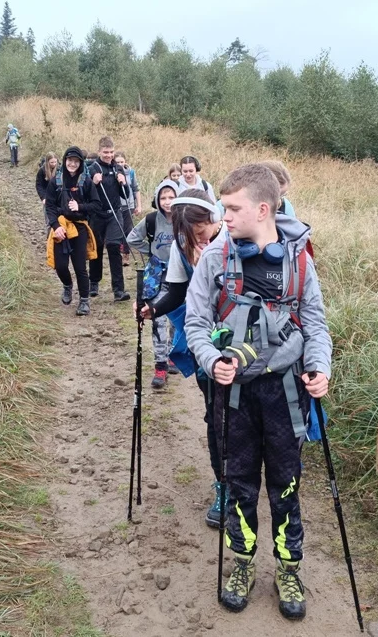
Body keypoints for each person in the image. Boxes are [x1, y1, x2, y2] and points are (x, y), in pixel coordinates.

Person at [184, 163, 331, 620]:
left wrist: (319, 368)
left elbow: (316, 325)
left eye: (231, 208)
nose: (222, 216)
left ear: (263, 208)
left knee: (286, 484)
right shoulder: (214, 258)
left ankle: (289, 568)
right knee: (239, 482)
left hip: (286, 396)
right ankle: (242, 563)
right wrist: (212, 362)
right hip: (234, 397)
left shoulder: (300, 260)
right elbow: (196, 324)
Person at [137, 189, 225, 526]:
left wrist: (209, 269)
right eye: (189, 235)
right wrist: (152, 308)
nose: (198, 239)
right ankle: (225, 486)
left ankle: (248, 475)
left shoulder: (233, 239)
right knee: (215, 417)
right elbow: (175, 290)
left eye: (201, 230)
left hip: (245, 343)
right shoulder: (180, 246)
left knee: (245, 417)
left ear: (212, 219)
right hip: (204, 342)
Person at [127, 180, 178, 389]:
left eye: (171, 197)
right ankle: (160, 365)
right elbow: (132, 239)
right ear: (157, 200)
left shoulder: (185, 219)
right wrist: (152, 251)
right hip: (157, 276)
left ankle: (175, 353)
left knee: (178, 320)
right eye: (163, 198)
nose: (167, 202)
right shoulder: (150, 220)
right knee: (158, 319)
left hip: (180, 276)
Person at [45, 146, 96, 316]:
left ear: (80, 163)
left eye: (76, 161)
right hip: (60, 227)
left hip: (80, 227)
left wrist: (79, 206)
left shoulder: (86, 182)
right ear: (65, 160)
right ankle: (67, 285)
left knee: (80, 267)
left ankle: (84, 301)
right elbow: (50, 206)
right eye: (70, 160)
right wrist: (55, 227)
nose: (72, 164)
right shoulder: (56, 181)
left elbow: (96, 205)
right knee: (60, 265)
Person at [88, 136, 130, 302]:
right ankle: (94, 282)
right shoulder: (93, 168)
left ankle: (119, 290)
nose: (109, 155)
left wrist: (123, 183)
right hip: (97, 214)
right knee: (97, 248)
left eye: (111, 152)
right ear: (99, 152)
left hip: (114, 213)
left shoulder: (118, 168)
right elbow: (85, 192)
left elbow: (126, 196)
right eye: (105, 152)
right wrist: (94, 182)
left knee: (113, 247)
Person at [114, 151, 142, 266]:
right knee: (118, 230)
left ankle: (126, 254)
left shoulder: (130, 172)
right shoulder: (112, 172)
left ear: (125, 161)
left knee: (128, 230)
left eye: (122, 161)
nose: (120, 164)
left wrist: (139, 205)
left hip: (129, 205)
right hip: (116, 205)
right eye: (117, 162)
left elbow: (136, 189)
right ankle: (117, 254)